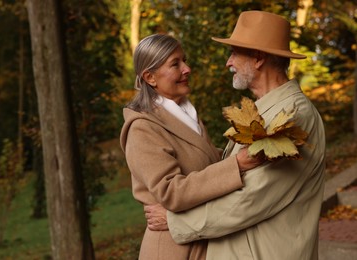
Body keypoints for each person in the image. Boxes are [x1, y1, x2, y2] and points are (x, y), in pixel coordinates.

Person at [144, 11, 326, 260]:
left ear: (259, 58)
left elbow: (252, 199)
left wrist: (176, 222)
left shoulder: (293, 116)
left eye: (234, 54)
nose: (228, 63)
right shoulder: (262, 112)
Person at [120, 33, 263, 260]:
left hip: (198, 238)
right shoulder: (142, 128)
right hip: (171, 248)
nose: (187, 69)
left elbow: (204, 161)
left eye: (184, 60)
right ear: (150, 77)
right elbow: (170, 192)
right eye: (175, 64)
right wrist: (236, 164)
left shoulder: (184, 113)